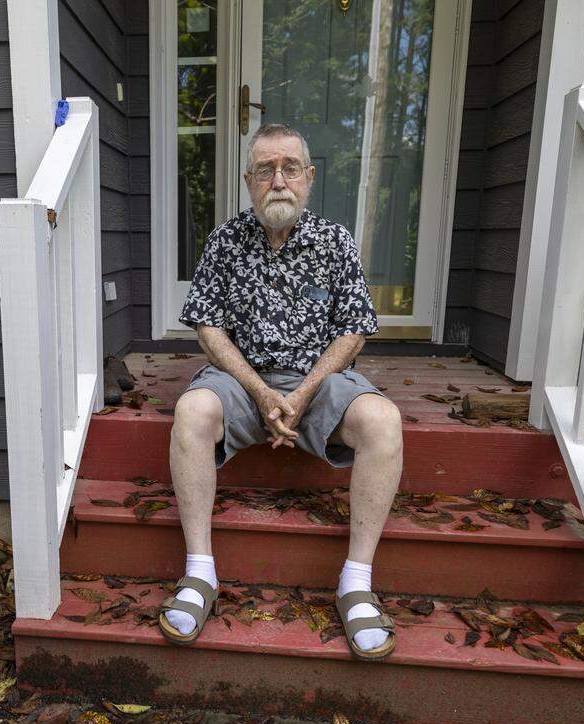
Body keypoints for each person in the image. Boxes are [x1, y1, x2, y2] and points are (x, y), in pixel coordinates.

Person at [158, 123, 404, 660]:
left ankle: (356, 582)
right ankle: (200, 572)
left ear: (309, 177)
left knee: (384, 421)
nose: (278, 180)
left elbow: (353, 329)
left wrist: (302, 392)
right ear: (249, 180)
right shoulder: (225, 240)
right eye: (265, 169)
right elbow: (208, 328)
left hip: (320, 384)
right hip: (242, 384)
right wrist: (260, 391)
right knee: (193, 409)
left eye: (290, 167)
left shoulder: (335, 241)